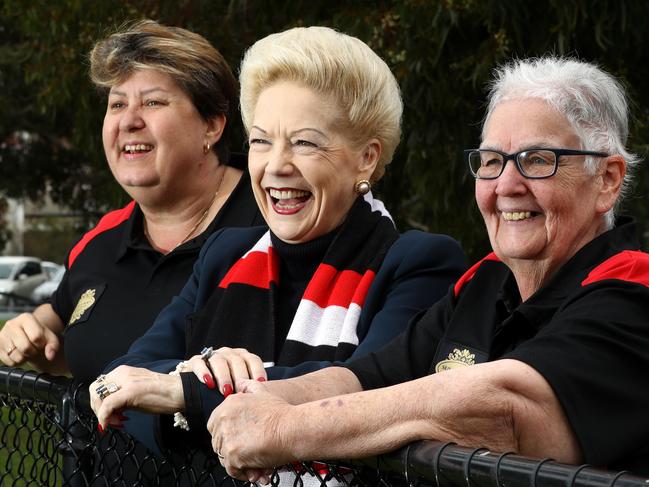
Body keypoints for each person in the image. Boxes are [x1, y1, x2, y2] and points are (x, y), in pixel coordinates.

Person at [205, 56, 649, 482]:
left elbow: (504, 407)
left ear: (607, 179)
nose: (507, 186)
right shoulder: (485, 281)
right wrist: (262, 398)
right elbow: (367, 378)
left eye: (537, 161)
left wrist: (285, 431)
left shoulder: (633, 291)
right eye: (492, 161)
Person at [88, 26, 467, 463]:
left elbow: (365, 393)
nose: (276, 166)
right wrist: (189, 385)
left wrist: (187, 390)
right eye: (261, 142)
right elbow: (123, 379)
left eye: (305, 142)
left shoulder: (418, 264)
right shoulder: (224, 254)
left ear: (367, 157)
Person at [0, 20, 264, 383]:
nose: (128, 121)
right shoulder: (100, 241)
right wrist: (29, 335)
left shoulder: (275, 219)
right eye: (117, 104)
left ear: (212, 126)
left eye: (153, 102)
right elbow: (69, 344)